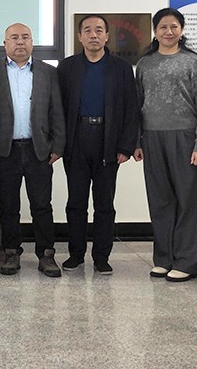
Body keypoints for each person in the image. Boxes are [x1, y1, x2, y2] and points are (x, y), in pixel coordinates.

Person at [0, 23, 66, 277]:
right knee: (9, 206)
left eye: (25, 37)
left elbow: (57, 111)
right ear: (5, 43)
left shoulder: (48, 72)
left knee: (42, 205)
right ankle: (11, 252)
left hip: (39, 149)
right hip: (5, 150)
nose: (20, 42)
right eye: (14, 37)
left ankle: (46, 254)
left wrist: (58, 145)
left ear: (32, 42)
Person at [133, 8, 197, 283]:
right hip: (152, 138)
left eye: (174, 27)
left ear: (181, 30)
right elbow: (137, 104)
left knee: (188, 201)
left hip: (185, 138)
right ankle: (163, 259)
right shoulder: (145, 63)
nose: (168, 32)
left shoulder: (193, 62)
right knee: (160, 201)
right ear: (155, 31)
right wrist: (137, 141)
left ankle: (186, 262)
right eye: (163, 27)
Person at [57, 15, 140, 275]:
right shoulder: (67, 67)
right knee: (76, 202)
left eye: (99, 30)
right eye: (88, 30)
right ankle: (76, 254)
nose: (93, 35)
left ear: (107, 36)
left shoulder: (121, 68)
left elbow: (131, 108)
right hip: (77, 139)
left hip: (108, 140)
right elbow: (57, 108)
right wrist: (59, 144)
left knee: (104, 204)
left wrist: (125, 147)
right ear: (79, 37)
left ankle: (102, 257)